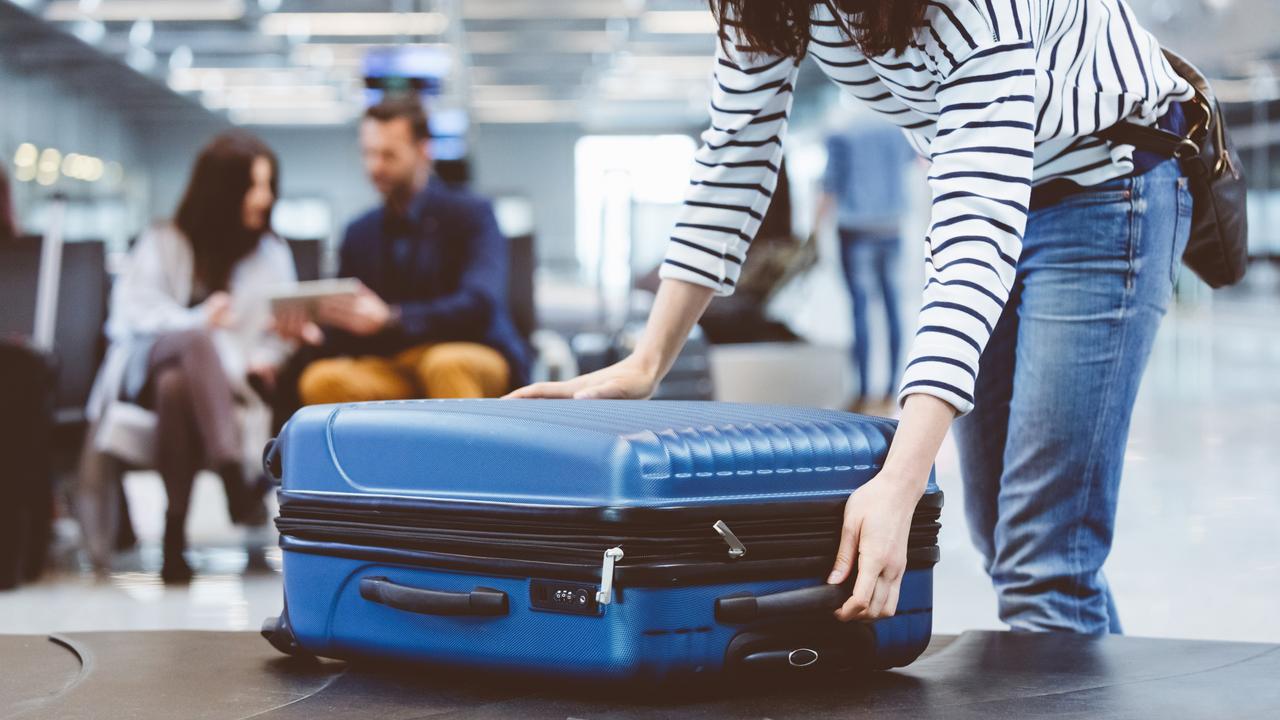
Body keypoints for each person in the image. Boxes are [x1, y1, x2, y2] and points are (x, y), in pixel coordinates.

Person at [512, 0, 1196, 635]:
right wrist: (647, 361)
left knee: (1044, 557)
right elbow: (734, 154)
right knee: (1000, 533)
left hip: (1107, 190)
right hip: (1004, 191)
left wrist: (900, 481)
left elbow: (974, 237)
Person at [86, 132, 295, 583]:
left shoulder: (272, 253)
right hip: (146, 363)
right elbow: (131, 314)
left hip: (224, 385)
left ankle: (173, 534)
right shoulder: (163, 240)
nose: (266, 197)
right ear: (223, 192)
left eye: (268, 185)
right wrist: (199, 318)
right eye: (254, 186)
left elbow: (276, 332)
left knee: (176, 388)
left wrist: (267, 357)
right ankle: (230, 473)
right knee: (194, 342)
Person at [280, 98, 529, 408]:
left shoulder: (472, 215)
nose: (375, 166)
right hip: (396, 363)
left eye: (388, 155)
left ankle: (464, 458)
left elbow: (479, 303)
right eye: (368, 153)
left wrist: (393, 319)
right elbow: (353, 327)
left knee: (445, 364)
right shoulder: (360, 232)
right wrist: (314, 334)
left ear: (424, 151)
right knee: (322, 380)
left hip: (472, 351)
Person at [814, 117, 915, 411]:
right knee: (893, 307)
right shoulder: (898, 129)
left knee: (860, 309)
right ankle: (892, 390)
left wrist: (811, 231)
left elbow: (830, 185)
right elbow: (915, 160)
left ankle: (863, 392)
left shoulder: (841, 131)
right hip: (892, 227)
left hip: (855, 230)